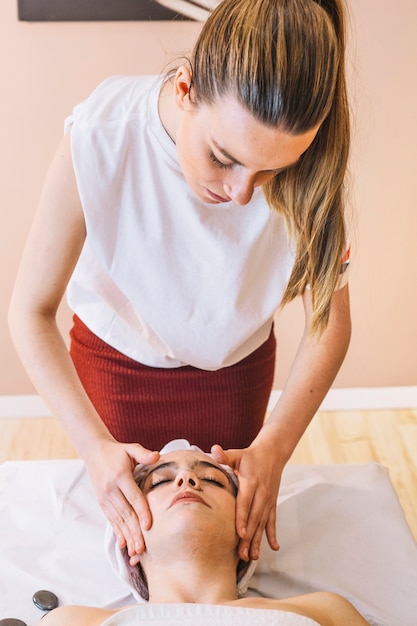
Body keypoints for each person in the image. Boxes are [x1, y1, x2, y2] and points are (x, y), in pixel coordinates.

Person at [8, 0, 352, 567]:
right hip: (116, 371)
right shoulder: (104, 133)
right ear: (186, 87)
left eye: (272, 172)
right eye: (224, 158)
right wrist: (96, 450)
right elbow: (29, 311)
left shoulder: (314, 159)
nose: (242, 194)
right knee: (131, 550)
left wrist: (274, 447)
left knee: (222, 556)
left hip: (236, 377)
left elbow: (329, 323)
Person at [39, 445, 369, 626]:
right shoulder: (72, 622)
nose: (186, 479)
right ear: (129, 542)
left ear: (246, 537)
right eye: (160, 481)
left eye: (212, 479)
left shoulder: (325, 611)